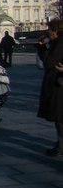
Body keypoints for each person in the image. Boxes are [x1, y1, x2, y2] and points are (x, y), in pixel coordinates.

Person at [37, 20, 63, 156]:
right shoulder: (57, 43)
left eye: (50, 29)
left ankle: (61, 146)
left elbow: (48, 62)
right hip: (57, 82)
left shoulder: (59, 44)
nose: (48, 32)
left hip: (59, 85)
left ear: (56, 31)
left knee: (60, 117)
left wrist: (42, 48)